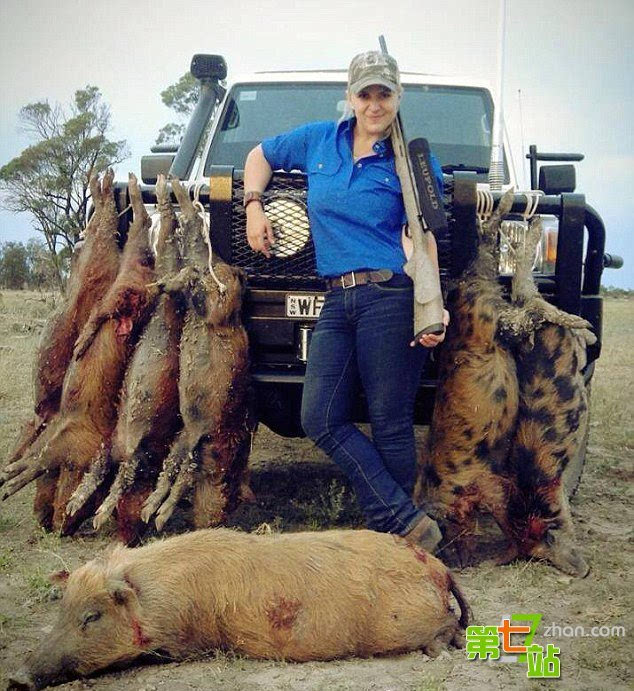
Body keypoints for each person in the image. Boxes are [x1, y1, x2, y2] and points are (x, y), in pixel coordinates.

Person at [244, 50, 449, 552]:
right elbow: (260, 156)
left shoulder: (414, 159)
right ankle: (403, 519)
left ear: (397, 97)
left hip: (390, 295)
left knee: (391, 422)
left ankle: (400, 544)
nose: (374, 104)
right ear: (351, 97)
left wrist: (431, 304)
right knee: (320, 418)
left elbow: (425, 238)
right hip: (336, 297)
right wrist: (253, 206)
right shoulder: (319, 140)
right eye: (366, 94)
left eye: (384, 94)